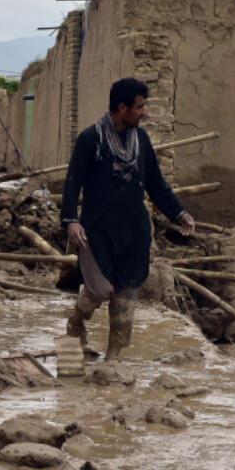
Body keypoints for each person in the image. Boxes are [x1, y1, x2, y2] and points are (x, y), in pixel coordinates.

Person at [60, 77, 195, 360]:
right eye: (140, 107)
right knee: (98, 290)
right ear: (122, 108)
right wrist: (71, 220)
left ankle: (112, 361)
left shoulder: (141, 141)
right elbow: (73, 183)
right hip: (97, 231)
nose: (144, 112)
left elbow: (155, 184)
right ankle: (74, 327)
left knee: (125, 298)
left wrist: (179, 213)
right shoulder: (91, 139)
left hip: (134, 232)